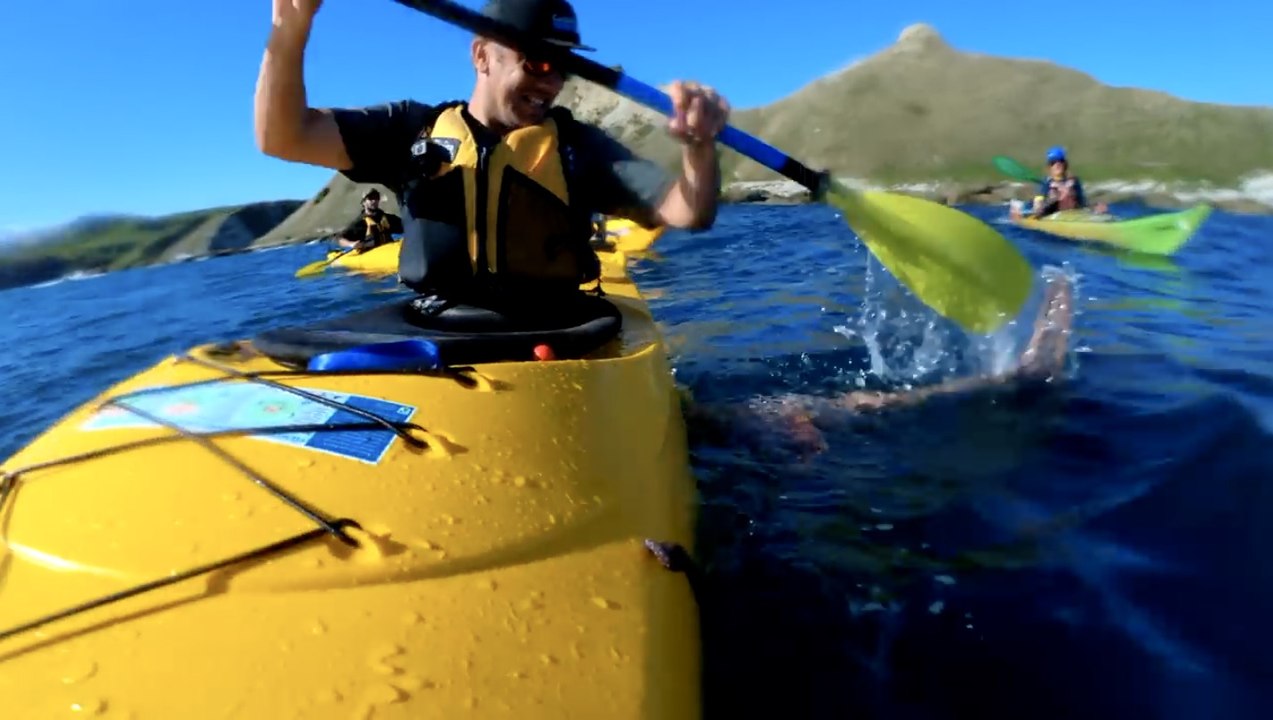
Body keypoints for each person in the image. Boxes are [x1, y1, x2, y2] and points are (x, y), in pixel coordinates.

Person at [255, 0, 729, 302]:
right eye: (537, 61)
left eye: (563, 66)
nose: (550, 83)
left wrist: (699, 149)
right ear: (482, 56)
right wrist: (290, 25)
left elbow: (689, 212)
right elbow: (283, 137)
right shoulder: (410, 129)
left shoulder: (579, 147)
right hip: (440, 332)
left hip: (557, 330)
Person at [683, 271, 1075, 457]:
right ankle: (1027, 366)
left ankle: (1029, 368)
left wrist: (803, 443)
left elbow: (800, 431)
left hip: (814, 414)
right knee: (891, 400)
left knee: (894, 401)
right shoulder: (724, 420)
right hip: (806, 412)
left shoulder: (729, 421)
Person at [1011, 146, 1109, 220]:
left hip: (1073, 215)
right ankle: (1020, 207)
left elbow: (1083, 203)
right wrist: (1050, 201)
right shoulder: (1046, 183)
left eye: (1060, 161)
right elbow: (1038, 208)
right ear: (1049, 166)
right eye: (1053, 162)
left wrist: (1095, 209)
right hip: (1052, 216)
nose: (1057, 164)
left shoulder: (1074, 181)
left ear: (1065, 164)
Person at [335, 188, 403, 251]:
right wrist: (351, 244)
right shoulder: (360, 223)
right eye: (370, 198)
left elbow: (405, 225)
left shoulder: (387, 218)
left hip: (389, 250)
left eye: (376, 198)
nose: (374, 201)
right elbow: (339, 238)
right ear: (364, 202)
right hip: (371, 254)